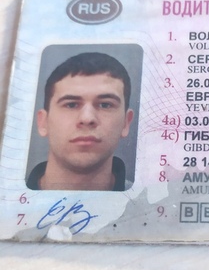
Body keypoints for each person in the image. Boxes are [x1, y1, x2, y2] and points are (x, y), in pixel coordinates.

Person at [27, 52, 134, 191]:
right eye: (71, 105)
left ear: (126, 123)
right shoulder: (6, 198)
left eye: (105, 105)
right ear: (43, 122)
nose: (87, 118)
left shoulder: (150, 200)